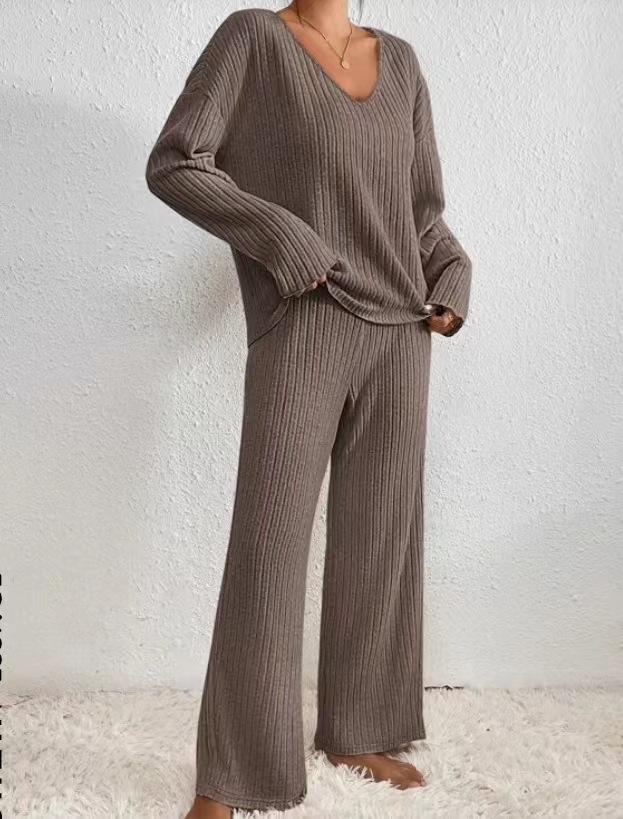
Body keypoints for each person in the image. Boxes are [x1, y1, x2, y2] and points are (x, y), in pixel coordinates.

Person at [145, 2, 472, 816]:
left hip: (403, 332)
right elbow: (177, 161)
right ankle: (232, 774)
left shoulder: (400, 62)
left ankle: (359, 727)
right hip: (306, 323)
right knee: (268, 544)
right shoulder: (252, 40)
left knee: (379, 537)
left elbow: (420, 210)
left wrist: (451, 274)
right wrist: (282, 237)